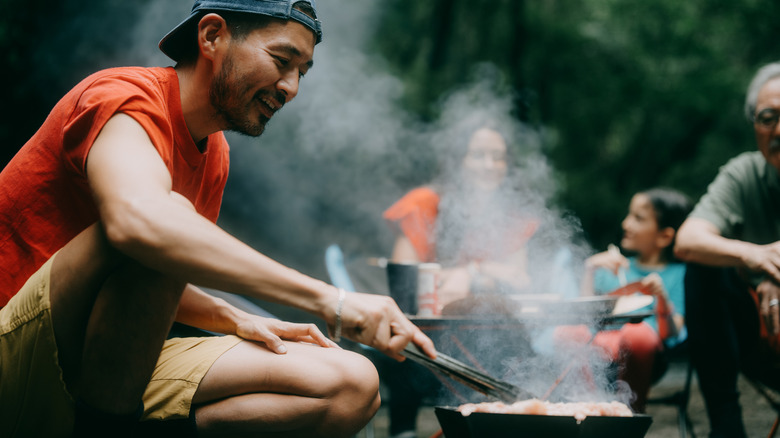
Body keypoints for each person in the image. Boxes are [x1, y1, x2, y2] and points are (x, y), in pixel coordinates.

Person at [0, 1, 436, 437]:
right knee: (168, 221)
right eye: (282, 61)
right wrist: (331, 301)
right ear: (211, 36)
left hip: (98, 367)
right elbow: (139, 226)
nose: (292, 87)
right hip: (15, 354)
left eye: (302, 72)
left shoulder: (214, 156)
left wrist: (232, 317)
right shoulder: (123, 96)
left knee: (351, 384)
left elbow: (143, 276)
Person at [379, 123, 538, 437]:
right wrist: (487, 275)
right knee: (407, 342)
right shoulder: (424, 204)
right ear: (457, 160)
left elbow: (520, 282)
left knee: (518, 347)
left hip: (495, 334)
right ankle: (405, 431)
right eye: (478, 155)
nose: (489, 165)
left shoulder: (511, 217)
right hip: (429, 339)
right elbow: (404, 283)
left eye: (498, 157)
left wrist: (470, 274)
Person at [675, 61, 780, 438]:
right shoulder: (744, 174)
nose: (779, 130)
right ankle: (726, 427)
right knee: (705, 265)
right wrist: (756, 257)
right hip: (759, 336)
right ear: (754, 125)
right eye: (768, 117)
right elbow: (688, 240)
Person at [557, 188, 691, 413]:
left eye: (638, 218)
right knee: (566, 333)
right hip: (599, 358)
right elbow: (584, 316)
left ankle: (628, 417)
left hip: (648, 359)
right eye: (629, 215)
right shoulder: (612, 269)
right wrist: (590, 269)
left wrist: (661, 297)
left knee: (636, 334)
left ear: (664, 236)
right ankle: (586, 411)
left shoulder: (679, 275)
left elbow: (673, 332)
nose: (626, 224)